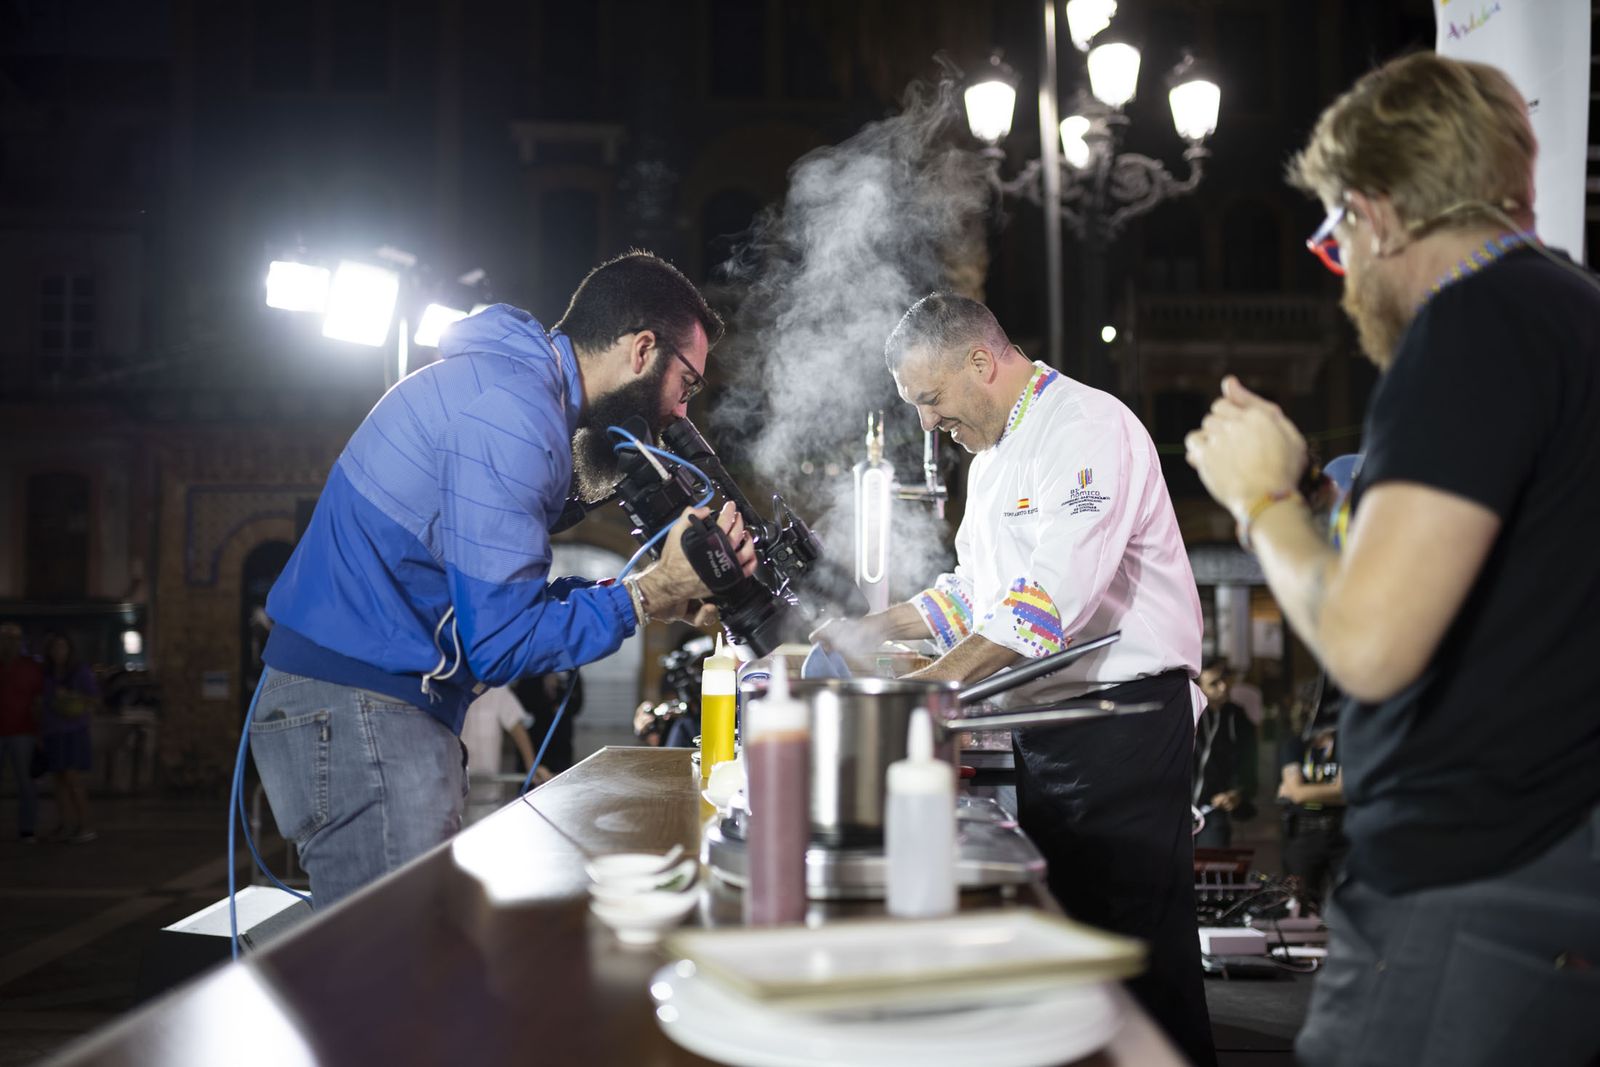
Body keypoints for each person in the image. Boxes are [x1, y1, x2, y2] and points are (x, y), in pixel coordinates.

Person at [1184, 53, 1600, 1066]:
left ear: (1376, 214)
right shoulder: (1574, 312)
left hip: (1471, 886)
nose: (1345, 277)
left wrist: (1261, 497)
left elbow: (1368, 643)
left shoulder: (1471, 322)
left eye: (1334, 241)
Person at [252, 251, 758, 908]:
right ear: (641, 351)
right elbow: (500, 641)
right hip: (359, 709)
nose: (680, 417)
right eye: (685, 384)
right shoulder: (514, 417)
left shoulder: (514, 393)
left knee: (400, 969)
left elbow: (501, 605)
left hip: (360, 705)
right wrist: (647, 591)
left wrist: (660, 601)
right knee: (396, 976)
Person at [816, 293, 1214, 1067]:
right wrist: (874, 629)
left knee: (1139, 964)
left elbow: (1045, 603)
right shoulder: (993, 459)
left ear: (980, 361)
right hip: (1054, 732)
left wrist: (922, 691)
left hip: (1123, 725)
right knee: (1077, 961)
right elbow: (972, 593)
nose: (929, 424)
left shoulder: (1086, 428)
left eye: (930, 401)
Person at [1277, 676, 1346, 914]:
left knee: (1349, 903)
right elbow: (1295, 793)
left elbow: (1346, 790)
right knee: (1301, 904)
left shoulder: (1345, 743)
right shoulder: (1295, 744)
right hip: (1304, 833)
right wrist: (1329, 792)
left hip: (1342, 832)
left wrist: (1305, 792)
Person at [39, 633, 98, 843]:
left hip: (73, 730)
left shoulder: (80, 672)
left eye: (62, 647)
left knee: (73, 779)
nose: (58, 652)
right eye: (55, 648)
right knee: (58, 781)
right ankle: (65, 824)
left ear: (70, 650)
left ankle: (85, 826)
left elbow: (93, 698)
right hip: (53, 731)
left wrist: (73, 698)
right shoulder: (48, 674)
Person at [1193, 659, 1258, 849]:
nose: (1222, 687)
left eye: (1224, 680)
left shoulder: (1238, 717)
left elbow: (1248, 763)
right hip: (1179, 807)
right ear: (1199, 687)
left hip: (1213, 808)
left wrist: (1237, 792)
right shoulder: (1189, 713)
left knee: (1212, 866)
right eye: (1213, 683)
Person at [0, 623, 44, 843]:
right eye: (5, 638)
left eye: (14, 638)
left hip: (23, 732)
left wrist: (39, 733)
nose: (9, 642)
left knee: (26, 783)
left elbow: (38, 701)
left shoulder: (30, 667)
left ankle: (27, 829)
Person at [514, 669, 584, 776]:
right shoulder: (530, 671)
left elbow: (577, 704)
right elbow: (523, 703)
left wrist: (558, 698)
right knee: (533, 783)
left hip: (561, 742)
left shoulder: (571, 672)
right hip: (535, 740)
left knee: (560, 781)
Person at [459, 685, 536, 781]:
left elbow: (516, 725)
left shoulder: (496, 688)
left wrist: (531, 766)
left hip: (489, 783)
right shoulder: (448, 685)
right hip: (454, 782)